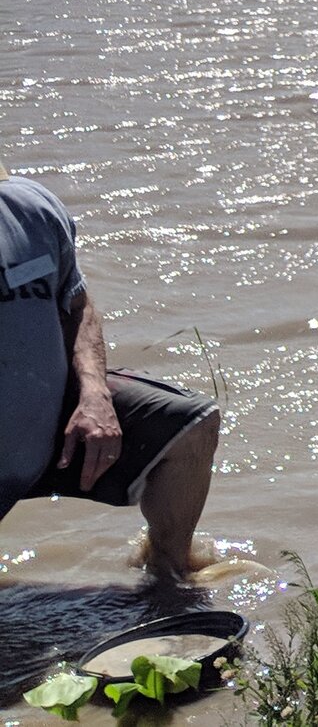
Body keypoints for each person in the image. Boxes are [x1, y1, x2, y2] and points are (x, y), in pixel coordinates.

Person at [0, 171, 222, 581]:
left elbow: (78, 306)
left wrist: (94, 394)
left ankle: (168, 580)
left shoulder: (32, 209)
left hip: (53, 430)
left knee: (191, 423)